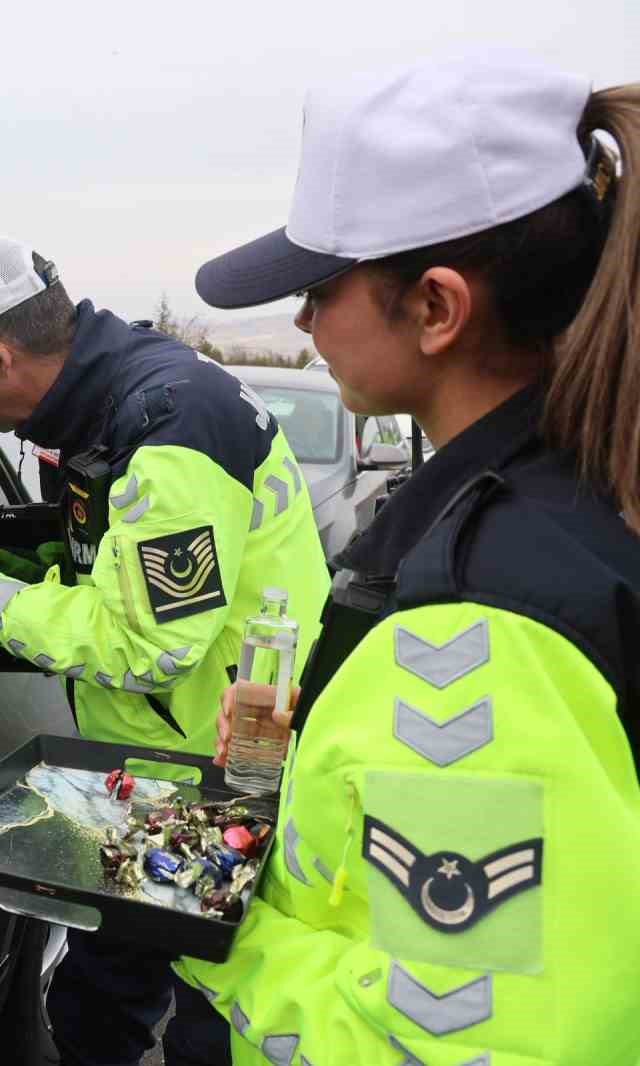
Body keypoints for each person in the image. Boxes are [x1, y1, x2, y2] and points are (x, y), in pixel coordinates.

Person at [175, 54, 640, 1066]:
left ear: (435, 307)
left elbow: (444, 1043)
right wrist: (323, 762)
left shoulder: (479, 623)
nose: (300, 324)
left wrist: (202, 916)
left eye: (317, 288)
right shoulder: (569, 487)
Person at [0, 236, 330, 1066]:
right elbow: (101, 554)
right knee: (96, 999)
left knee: (206, 1023)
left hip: (217, 781)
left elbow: (149, 641)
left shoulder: (168, 429)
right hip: (151, 768)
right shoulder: (117, 398)